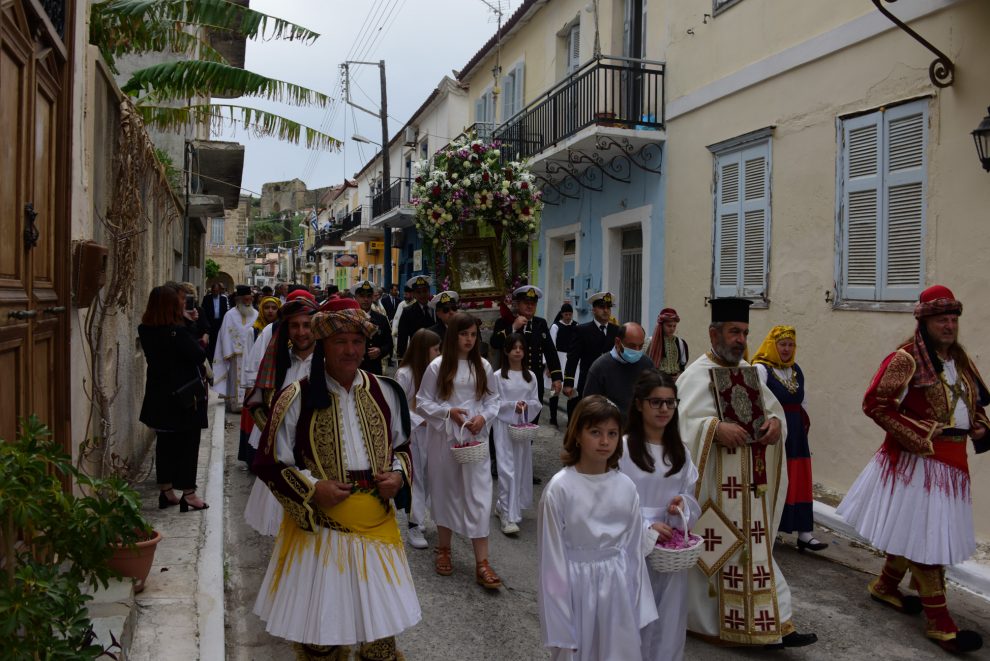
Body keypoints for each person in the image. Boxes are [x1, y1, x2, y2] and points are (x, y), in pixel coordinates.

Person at [252, 296, 419, 660]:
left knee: (380, 640)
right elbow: (269, 463)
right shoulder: (295, 397)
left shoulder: (387, 391)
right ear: (323, 345)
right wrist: (313, 489)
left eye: (357, 341)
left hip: (377, 527)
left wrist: (398, 476)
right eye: (340, 341)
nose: (350, 349)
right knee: (322, 636)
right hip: (322, 531)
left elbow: (404, 447)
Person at [836, 285, 988, 654]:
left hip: (953, 463)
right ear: (924, 322)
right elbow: (875, 403)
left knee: (915, 529)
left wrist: (980, 423)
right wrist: (918, 434)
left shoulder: (960, 359)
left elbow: (973, 400)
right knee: (928, 538)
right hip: (919, 463)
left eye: (953, 319)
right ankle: (940, 623)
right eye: (941, 319)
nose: (949, 326)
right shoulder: (906, 359)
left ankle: (886, 587)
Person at [676, 297, 816, 648]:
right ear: (714, 333)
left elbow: (774, 413)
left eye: (744, 333)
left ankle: (776, 621)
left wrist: (773, 425)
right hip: (713, 489)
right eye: (734, 332)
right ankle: (711, 624)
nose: (740, 339)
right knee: (716, 556)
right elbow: (679, 427)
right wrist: (712, 429)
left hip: (750, 489)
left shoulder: (750, 372)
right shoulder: (695, 374)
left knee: (757, 551)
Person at [537, 395, 657, 660]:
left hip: (617, 588)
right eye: (595, 432)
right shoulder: (560, 489)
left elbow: (633, 552)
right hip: (576, 588)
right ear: (577, 434)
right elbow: (552, 562)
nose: (605, 442)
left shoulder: (625, 487)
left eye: (612, 433)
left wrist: (637, 606)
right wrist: (560, 620)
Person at [416, 312, 503, 590]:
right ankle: (444, 548)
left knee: (479, 494)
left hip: (474, 439)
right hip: (445, 440)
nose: (468, 339)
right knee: (446, 491)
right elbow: (422, 402)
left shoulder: (484, 367)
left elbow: (494, 399)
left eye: (473, 335)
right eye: (463, 334)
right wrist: (448, 411)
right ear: (452, 336)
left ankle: (483, 562)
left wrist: (484, 418)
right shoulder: (438, 367)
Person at [618, 370, 699, 661]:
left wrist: (682, 506)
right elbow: (613, 503)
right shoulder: (624, 449)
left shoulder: (681, 453)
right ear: (639, 404)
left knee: (668, 619)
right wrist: (646, 525)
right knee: (633, 616)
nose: (664, 409)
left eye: (670, 403)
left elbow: (691, 498)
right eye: (656, 402)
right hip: (632, 547)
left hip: (669, 552)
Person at [242, 293, 318, 535]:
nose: (301, 332)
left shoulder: (330, 364)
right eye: (294, 325)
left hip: (319, 463)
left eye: (307, 325)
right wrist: (276, 436)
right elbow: (257, 405)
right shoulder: (278, 363)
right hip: (283, 462)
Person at [752, 326, 826, 552]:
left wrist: (803, 428)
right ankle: (770, 529)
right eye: (782, 344)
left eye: (790, 345)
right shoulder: (761, 369)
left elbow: (803, 402)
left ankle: (804, 533)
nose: (786, 349)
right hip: (775, 430)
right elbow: (758, 400)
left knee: (799, 478)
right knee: (776, 477)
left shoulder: (796, 370)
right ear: (772, 345)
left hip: (796, 431)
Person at [138, 285, 209, 512]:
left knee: (165, 443)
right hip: (184, 396)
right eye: (180, 301)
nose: (183, 304)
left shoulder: (146, 329)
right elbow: (198, 354)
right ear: (171, 305)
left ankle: (166, 491)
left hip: (159, 395)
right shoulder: (177, 332)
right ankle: (189, 493)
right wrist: (191, 324)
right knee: (188, 444)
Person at [396, 328, 442, 550]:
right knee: (415, 479)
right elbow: (398, 407)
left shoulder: (434, 372)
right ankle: (413, 524)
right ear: (424, 350)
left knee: (430, 475)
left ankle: (423, 516)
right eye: (435, 349)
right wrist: (418, 420)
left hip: (432, 434)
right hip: (413, 436)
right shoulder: (404, 374)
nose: (439, 353)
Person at [492, 333, 542, 535]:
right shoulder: (497, 377)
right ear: (506, 351)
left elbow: (536, 403)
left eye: (521, 348)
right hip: (503, 427)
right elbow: (493, 403)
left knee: (520, 468)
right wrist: (513, 406)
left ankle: (503, 505)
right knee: (506, 469)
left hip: (521, 429)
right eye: (514, 348)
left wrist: (525, 407)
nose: (518, 351)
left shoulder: (530, 377)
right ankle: (507, 515)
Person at [490, 286, 562, 419]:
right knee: (509, 419)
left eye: (533, 303)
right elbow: (494, 342)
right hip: (510, 381)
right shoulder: (504, 322)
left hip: (534, 382)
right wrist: (513, 327)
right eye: (526, 303)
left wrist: (557, 378)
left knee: (532, 422)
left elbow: (550, 351)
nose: (530, 306)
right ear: (518, 304)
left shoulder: (540, 324)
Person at [563, 292, 620, 419]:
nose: (606, 311)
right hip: (589, 381)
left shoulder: (616, 331)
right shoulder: (582, 330)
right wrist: (568, 383)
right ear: (593, 310)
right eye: (602, 307)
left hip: (610, 383)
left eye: (608, 307)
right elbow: (573, 358)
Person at [583, 322, 655, 423]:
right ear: (617, 342)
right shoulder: (600, 368)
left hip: (639, 430)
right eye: (632, 346)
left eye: (641, 346)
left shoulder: (647, 364)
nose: (637, 351)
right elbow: (589, 407)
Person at [212, 285, 259, 413]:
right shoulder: (230, 315)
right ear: (239, 299)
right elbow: (224, 334)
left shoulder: (256, 315)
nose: (248, 301)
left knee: (251, 378)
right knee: (235, 380)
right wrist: (228, 351)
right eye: (245, 299)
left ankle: (250, 403)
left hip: (252, 355)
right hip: (235, 355)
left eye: (250, 299)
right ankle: (236, 405)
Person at [352, 279, 393, 376]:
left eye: (368, 296)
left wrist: (380, 350)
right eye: (362, 296)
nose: (365, 299)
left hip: (374, 369)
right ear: (355, 298)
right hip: (354, 368)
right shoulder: (350, 318)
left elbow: (389, 343)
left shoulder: (381, 319)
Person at [548, 303, 578, 427]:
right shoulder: (555, 327)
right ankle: (553, 417)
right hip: (558, 359)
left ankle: (571, 419)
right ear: (562, 314)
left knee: (572, 390)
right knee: (555, 390)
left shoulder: (577, 326)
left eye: (570, 314)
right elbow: (551, 346)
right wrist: (549, 366)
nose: (568, 316)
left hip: (571, 360)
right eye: (566, 314)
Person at [397, 275, 435, 357]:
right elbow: (402, 337)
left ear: (429, 291)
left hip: (435, 351)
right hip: (417, 354)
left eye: (425, 291)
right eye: (418, 292)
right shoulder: (408, 311)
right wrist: (402, 358)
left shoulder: (435, 309)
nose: (422, 295)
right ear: (414, 294)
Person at [647, 308, 689, 379]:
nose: (672, 329)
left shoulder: (680, 342)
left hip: (675, 382)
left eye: (674, 326)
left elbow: (682, 365)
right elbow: (645, 364)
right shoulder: (650, 341)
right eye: (669, 326)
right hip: (657, 381)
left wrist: (679, 376)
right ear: (662, 325)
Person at [201, 281, 229, 362]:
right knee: (211, 342)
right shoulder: (207, 298)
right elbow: (204, 311)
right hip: (210, 323)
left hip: (219, 323)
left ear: (219, 291)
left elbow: (225, 311)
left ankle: (218, 356)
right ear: (212, 290)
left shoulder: (223, 299)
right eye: (214, 291)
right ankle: (211, 357)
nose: (216, 292)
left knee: (218, 340)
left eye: (217, 291)